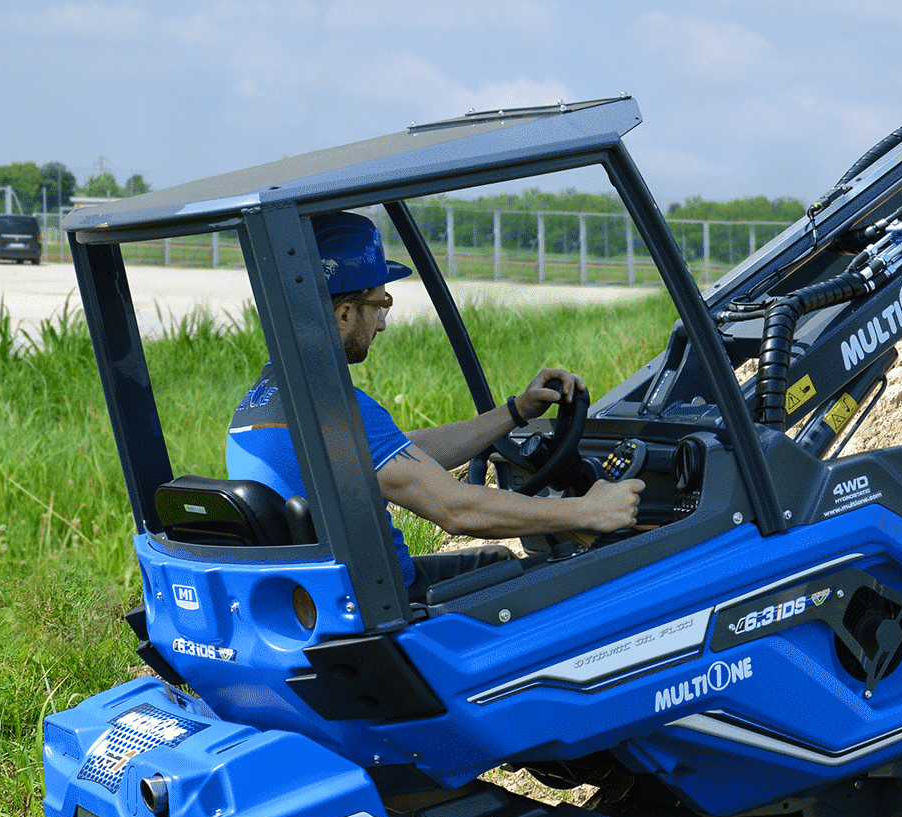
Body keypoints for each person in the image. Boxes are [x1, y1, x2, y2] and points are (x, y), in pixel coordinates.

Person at [227, 211, 641, 601]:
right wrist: (589, 510)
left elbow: (405, 453)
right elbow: (456, 510)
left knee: (496, 561)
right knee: (560, 578)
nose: (384, 323)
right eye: (381, 304)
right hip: (388, 607)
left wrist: (514, 412)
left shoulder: (269, 397)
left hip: (332, 597)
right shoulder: (335, 408)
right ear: (344, 313)